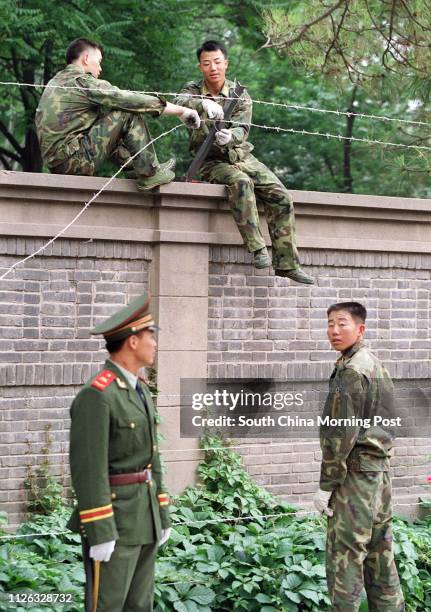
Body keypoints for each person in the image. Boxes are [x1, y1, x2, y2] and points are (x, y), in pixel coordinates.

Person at [175, 40, 313, 284]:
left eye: (217, 62)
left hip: (242, 156)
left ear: (226, 63)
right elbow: (180, 101)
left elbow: (243, 128)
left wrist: (231, 136)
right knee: (240, 182)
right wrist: (203, 104)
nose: (213, 68)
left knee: (281, 196)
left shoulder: (240, 94)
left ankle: (287, 264)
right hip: (209, 161)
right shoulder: (193, 90)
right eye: (207, 63)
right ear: (200, 67)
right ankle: (258, 248)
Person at [68, 293, 171, 611]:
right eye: (150, 335)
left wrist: (162, 513)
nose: (154, 343)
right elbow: (89, 469)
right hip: (115, 521)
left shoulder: (139, 390)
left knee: (140, 606)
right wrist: (100, 530)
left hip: (144, 519)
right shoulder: (98, 395)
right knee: (108, 605)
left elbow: (152, 458)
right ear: (132, 342)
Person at [313, 301, 405, 611]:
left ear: (360, 329)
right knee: (381, 558)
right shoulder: (373, 364)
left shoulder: (352, 371)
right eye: (329, 324)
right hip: (379, 476)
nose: (334, 331)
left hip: (355, 479)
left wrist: (326, 485)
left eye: (342, 323)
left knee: (345, 559)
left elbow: (340, 436)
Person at [36, 38, 200, 191]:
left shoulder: (57, 81)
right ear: (86, 58)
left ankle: (137, 169)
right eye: (99, 62)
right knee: (126, 113)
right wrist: (181, 110)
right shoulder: (82, 82)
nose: (100, 69)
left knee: (108, 117)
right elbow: (130, 100)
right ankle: (150, 173)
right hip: (73, 162)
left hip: (60, 162)